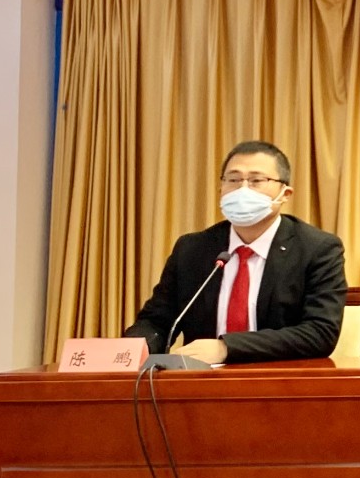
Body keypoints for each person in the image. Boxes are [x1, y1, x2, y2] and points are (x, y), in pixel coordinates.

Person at [126, 140, 347, 364]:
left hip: (281, 377)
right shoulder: (192, 249)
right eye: (233, 180)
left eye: (256, 180)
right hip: (200, 379)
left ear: (285, 193)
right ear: (221, 189)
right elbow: (156, 321)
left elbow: (320, 332)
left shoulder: (317, 249)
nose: (243, 189)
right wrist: (132, 351)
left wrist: (227, 347)